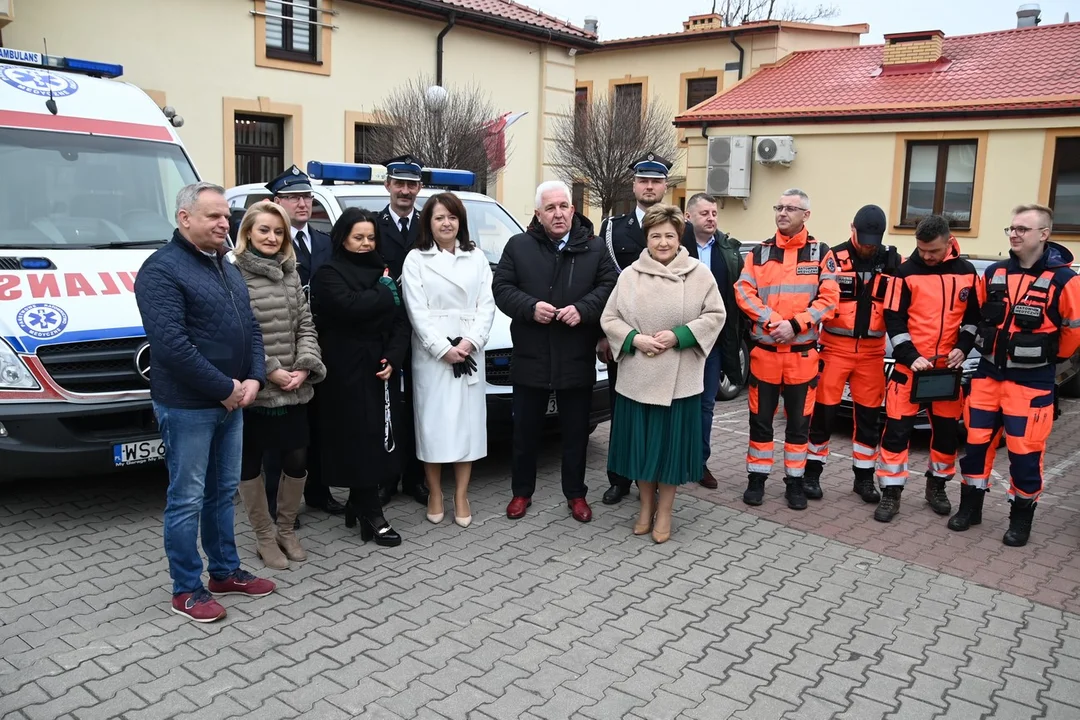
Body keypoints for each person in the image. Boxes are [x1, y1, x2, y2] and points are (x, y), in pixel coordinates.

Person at [135, 182, 274, 623]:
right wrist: (226, 388)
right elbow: (172, 346)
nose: (224, 222)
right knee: (187, 498)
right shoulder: (161, 270)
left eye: (225, 216)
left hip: (231, 402)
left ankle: (225, 572)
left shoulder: (225, 266)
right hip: (189, 406)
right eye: (213, 215)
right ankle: (186, 589)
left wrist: (253, 377)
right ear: (184, 218)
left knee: (220, 493)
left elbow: (250, 328)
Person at [951, 204, 1080, 546]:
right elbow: (977, 315)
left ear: (1044, 234)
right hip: (987, 376)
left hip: (1032, 384)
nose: (1016, 234)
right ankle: (970, 508)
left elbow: (1072, 333)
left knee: (1025, 454)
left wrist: (1051, 360)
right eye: (1012, 228)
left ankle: (1020, 520)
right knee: (975, 446)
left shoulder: (1067, 280)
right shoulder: (993, 273)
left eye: (1023, 228)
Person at [494, 180, 617, 523]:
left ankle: (576, 495)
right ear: (538, 214)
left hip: (574, 356)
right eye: (550, 208)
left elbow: (609, 286)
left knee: (576, 434)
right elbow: (501, 288)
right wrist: (530, 307)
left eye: (563, 206)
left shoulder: (593, 248)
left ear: (573, 210)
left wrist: (584, 309)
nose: (558, 213)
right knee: (525, 433)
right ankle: (521, 493)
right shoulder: (518, 246)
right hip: (531, 356)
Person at [602, 205, 726, 542]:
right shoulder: (630, 275)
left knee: (670, 452)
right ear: (647, 238)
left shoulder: (699, 274)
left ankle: (665, 512)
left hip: (679, 381)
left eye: (669, 235)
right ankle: (645, 506)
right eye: (655, 235)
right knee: (642, 450)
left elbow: (716, 315)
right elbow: (609, 319)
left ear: (679, 236)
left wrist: (680, 336)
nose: (662, 242)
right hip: (638, 378)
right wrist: (634, 339)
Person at [232, 201, 326, 569]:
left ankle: (286, 529)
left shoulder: (290, 272)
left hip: (294, 386)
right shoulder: (234, 273)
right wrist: (268, 370)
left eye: (278, 231)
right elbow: (238, 333)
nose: (272, 237)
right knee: (251, 463)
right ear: (248, 234)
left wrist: (304, 366)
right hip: (257, 388)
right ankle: (264, 535)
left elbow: (306, 324)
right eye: (264, 230)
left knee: (297, 457)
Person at [311, 208, 411, 547]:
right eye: (359, 238)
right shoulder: (328, 272)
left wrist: (395, 357)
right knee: (358, 438)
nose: (366, 244)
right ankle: (372, 513)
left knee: (379, 437)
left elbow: (400, 321)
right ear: (343, 238)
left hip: (380, 366)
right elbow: (348, 308)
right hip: (345, 369)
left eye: (371, 237)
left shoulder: (382, 269)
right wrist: (384, 294)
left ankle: (359, 501)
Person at [735, 189, 840, 510]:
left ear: (805, 215)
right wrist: (772, 322)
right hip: (765, 354)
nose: (782, 213)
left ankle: (794, 483)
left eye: (790, 208)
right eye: (778, 207)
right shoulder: (759, 253)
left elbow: (830, 299)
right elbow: (743, 291)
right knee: (760, 423)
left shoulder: (821, 253)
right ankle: (757, 479)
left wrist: (794, 326)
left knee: (798, 426)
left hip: (802, 357)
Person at [875, 214, 979, 522]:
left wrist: (963, 347)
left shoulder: (967, 272)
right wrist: (909, 355)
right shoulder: (905, 272)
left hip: (946, 370)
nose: (927, 256)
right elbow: (892, 317)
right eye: (922, 249)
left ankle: (937, 486)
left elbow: (973, 317)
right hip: (910, 370)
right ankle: (891, 493)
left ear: (949, 242)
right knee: (896, 433)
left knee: (946, 435)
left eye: (932, 250)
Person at [402, 192, 496, 528]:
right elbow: (417, 310)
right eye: (440, 217)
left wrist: (470, 342)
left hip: (470, 349)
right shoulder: (416, 259)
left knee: (468, 427)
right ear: (428, 221)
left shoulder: (477, 257)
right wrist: (443, 348)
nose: (447, 223)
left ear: (461, 222)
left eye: (453, 217)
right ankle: (435, 492)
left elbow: (487, 304)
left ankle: (461, 493)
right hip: (434, 355)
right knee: (434, 426)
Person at [804, 205, 901, 503]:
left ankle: (864, 478)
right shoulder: (833, 257)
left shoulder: (893, 261)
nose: (869, 245)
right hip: (835, 349)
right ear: (852, 229)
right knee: (823, 414)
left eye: (875, 239)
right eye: (864, 238)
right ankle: (811, 474)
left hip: (872, 353)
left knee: (870, 418)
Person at [266, 165, 343, 520]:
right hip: (283, 348)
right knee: (286, 434)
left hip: (321, 344)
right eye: (294, 196)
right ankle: (283, 506)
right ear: (276, 201)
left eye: (307, 196)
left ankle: (318, 490)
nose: (302, 203)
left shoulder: (325, 240)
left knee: (321, 425)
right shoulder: (268, 244)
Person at [597, 153, 671, 505]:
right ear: (634, 185)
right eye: (644, 180)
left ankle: (658, 476)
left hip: (666, 340)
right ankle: (619, 478)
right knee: (621, 408)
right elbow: (604, 284)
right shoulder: (613, 229)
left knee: (662, 411)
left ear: (665, 186)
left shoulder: (677, 228)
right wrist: (604, 335)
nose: (649, 186)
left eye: (656, 181)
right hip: (624, 338)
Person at [375, 154, 429, 507]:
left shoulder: (429, 225)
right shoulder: (372, 224)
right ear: (388, 186)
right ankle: (386, 477)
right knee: (388, 403)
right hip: (385, 328)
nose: (406, 191)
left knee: (420, 404)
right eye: (400, 184)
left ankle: (416, 477)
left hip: (425, 329)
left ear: (419, 188)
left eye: (412, 185)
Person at [681, 193, 744, 490]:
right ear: (688, 216)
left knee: (706, 404)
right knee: (677, 403)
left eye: (714, 213)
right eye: (704, 213)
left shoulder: (728, 250)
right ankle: (674, 459)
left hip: (714, 341)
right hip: (679, 340)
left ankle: (699, 462)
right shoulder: (675, 246)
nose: (711, 218)